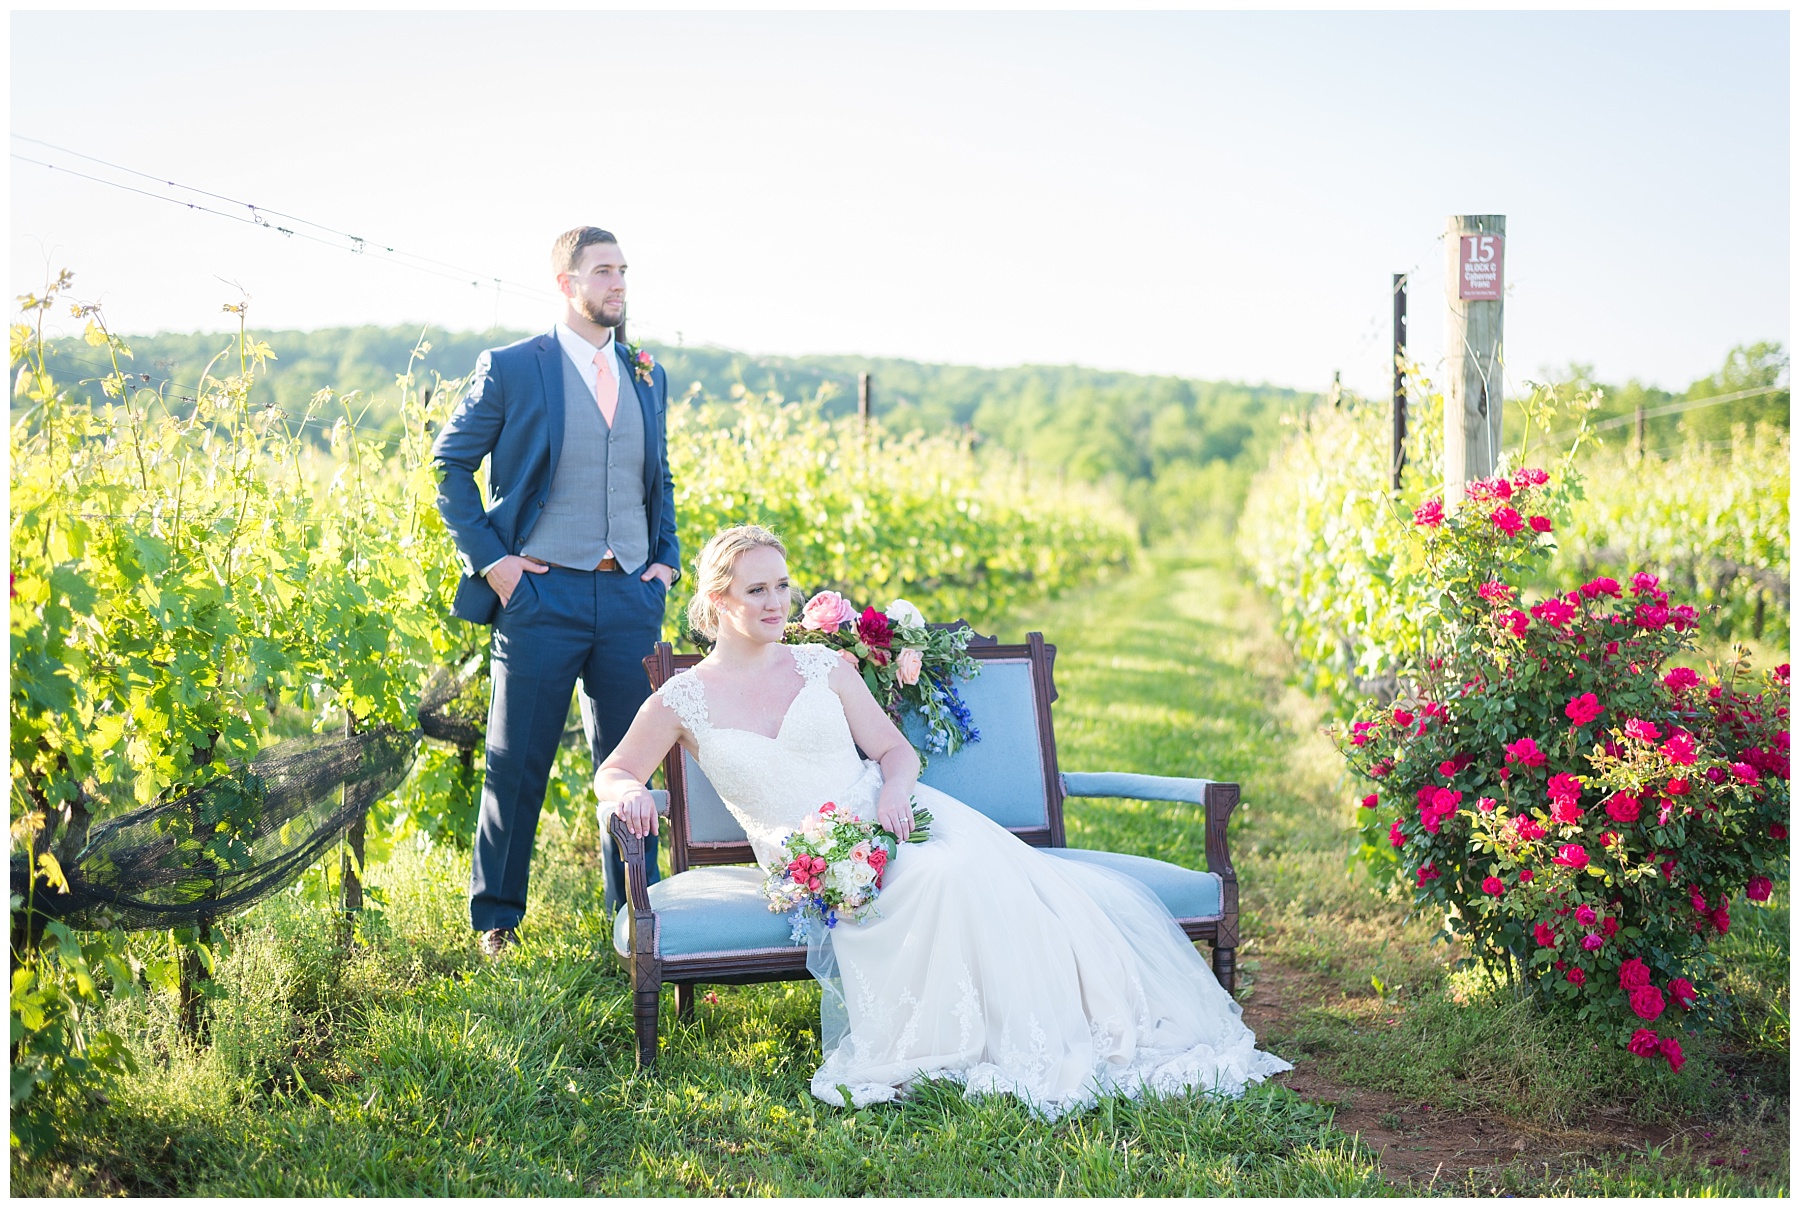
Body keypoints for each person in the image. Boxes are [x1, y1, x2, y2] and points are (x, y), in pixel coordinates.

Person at [594, 525, 1290, 1116]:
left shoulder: (823, 666)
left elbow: (894, 752)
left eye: (783, 585)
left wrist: (895, 793)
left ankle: (1010, 1033)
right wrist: (624, 792)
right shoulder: (682, 699)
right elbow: (616, 769)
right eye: (757, 590)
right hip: (812, 859)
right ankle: (940, 1042)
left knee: (945, 867)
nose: (778, 602)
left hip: (895, 817)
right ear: (718, 601)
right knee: (924, 881)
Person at [433, 225, 679, 957]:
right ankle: (497, 922)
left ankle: (633, 915)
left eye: (624, 272)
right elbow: (449, 469)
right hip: (540, 597)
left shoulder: (645, 373)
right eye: (604, 272)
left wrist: (663, 561)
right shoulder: (512, 368)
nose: (619, 285)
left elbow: (657, 476)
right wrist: (496, 564)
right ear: (566, 283)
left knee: (631, 769)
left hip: (629, 596)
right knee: (518, 764)